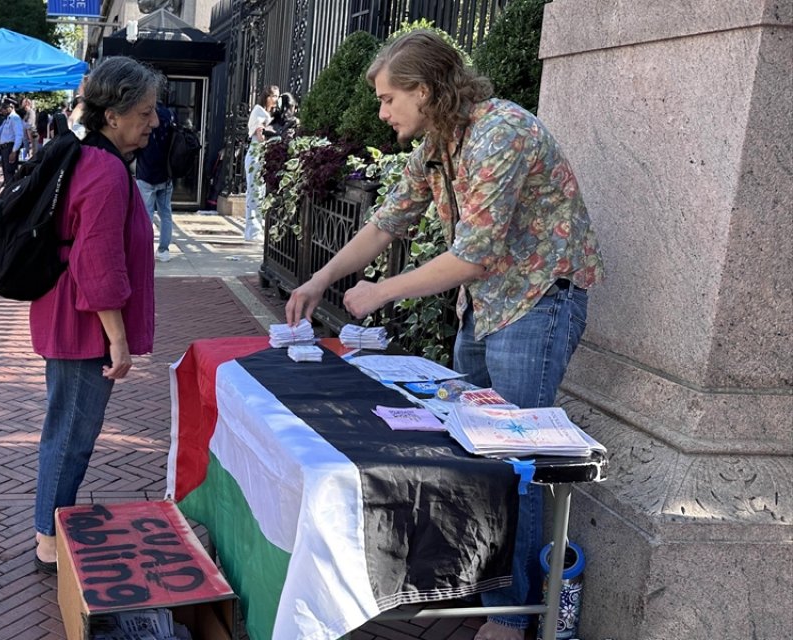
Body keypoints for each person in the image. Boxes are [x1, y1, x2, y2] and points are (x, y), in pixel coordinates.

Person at [284, 30, 603, 640]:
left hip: (536, 304)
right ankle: (471, 580)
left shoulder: (499, 133)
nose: (381, 113)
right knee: (468, 445)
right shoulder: (436, 143)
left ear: (424, 91)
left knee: (521, 456)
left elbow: (475, 255)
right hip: (484, 307)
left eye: (386, 99)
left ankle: (512, 614)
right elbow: (386, 222)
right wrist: (320, 278)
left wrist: (381, 291)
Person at [30, 56, 160, 574]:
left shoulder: (91, 159)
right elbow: (98, 264)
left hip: (71, 315)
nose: (154, 123)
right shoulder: (105, 170)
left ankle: (49, 526)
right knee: (71, 436)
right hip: (85, 325)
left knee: (66, 428)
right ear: (114, 115)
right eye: (146, 112)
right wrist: (119, 340)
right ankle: (47, 536)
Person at [135, 102, 177, 262]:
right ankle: (164, 249)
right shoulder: (169, 114)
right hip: (165, 173)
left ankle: (145, 249)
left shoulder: (143, 114)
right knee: (166, 213)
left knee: (146, 214)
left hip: (146, 172)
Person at [244, 85, 279, 241]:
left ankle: (255, 228)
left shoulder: (266, 112)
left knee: (259, 191)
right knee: (255, 192)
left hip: (261, 155)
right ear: (267, 97)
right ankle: (253, 230)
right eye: (273, 96)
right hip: (256, 154)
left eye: (277, 97)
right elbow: (260, 136)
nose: (276, 100)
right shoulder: (259, 112)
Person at [0, 98, 25, 184]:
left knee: (10, 174)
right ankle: (8, 194)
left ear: (11, 107)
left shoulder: (15, 118)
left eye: (5, 107)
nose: (3, 110)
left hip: (10, 148)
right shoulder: (7, 119)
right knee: (7, 174)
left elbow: (19, 135)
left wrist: (14, 151)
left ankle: (10, 195)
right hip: (4, 149)